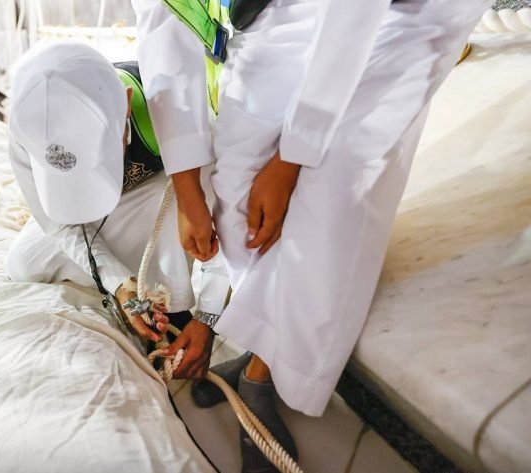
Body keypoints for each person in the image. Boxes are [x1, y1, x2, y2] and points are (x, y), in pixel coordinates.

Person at [132, 0, 491, 471]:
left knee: (337, 179)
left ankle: (263, 375)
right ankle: (266, 340)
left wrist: (293, 156)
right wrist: (188, 192)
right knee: (238, 204)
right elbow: (165, 25)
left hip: (407, 11)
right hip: (270, 9)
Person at [5, 42, 230, 367]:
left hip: (155, 200)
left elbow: (227, 225)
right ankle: (134, 286)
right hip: (100, 219)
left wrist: (207, 317)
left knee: (180, 189)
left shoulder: (181, 114)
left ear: (126, 104)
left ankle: (175, 306)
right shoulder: (27, 126)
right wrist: (120, 283)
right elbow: (59, 225)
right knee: (23, 263)